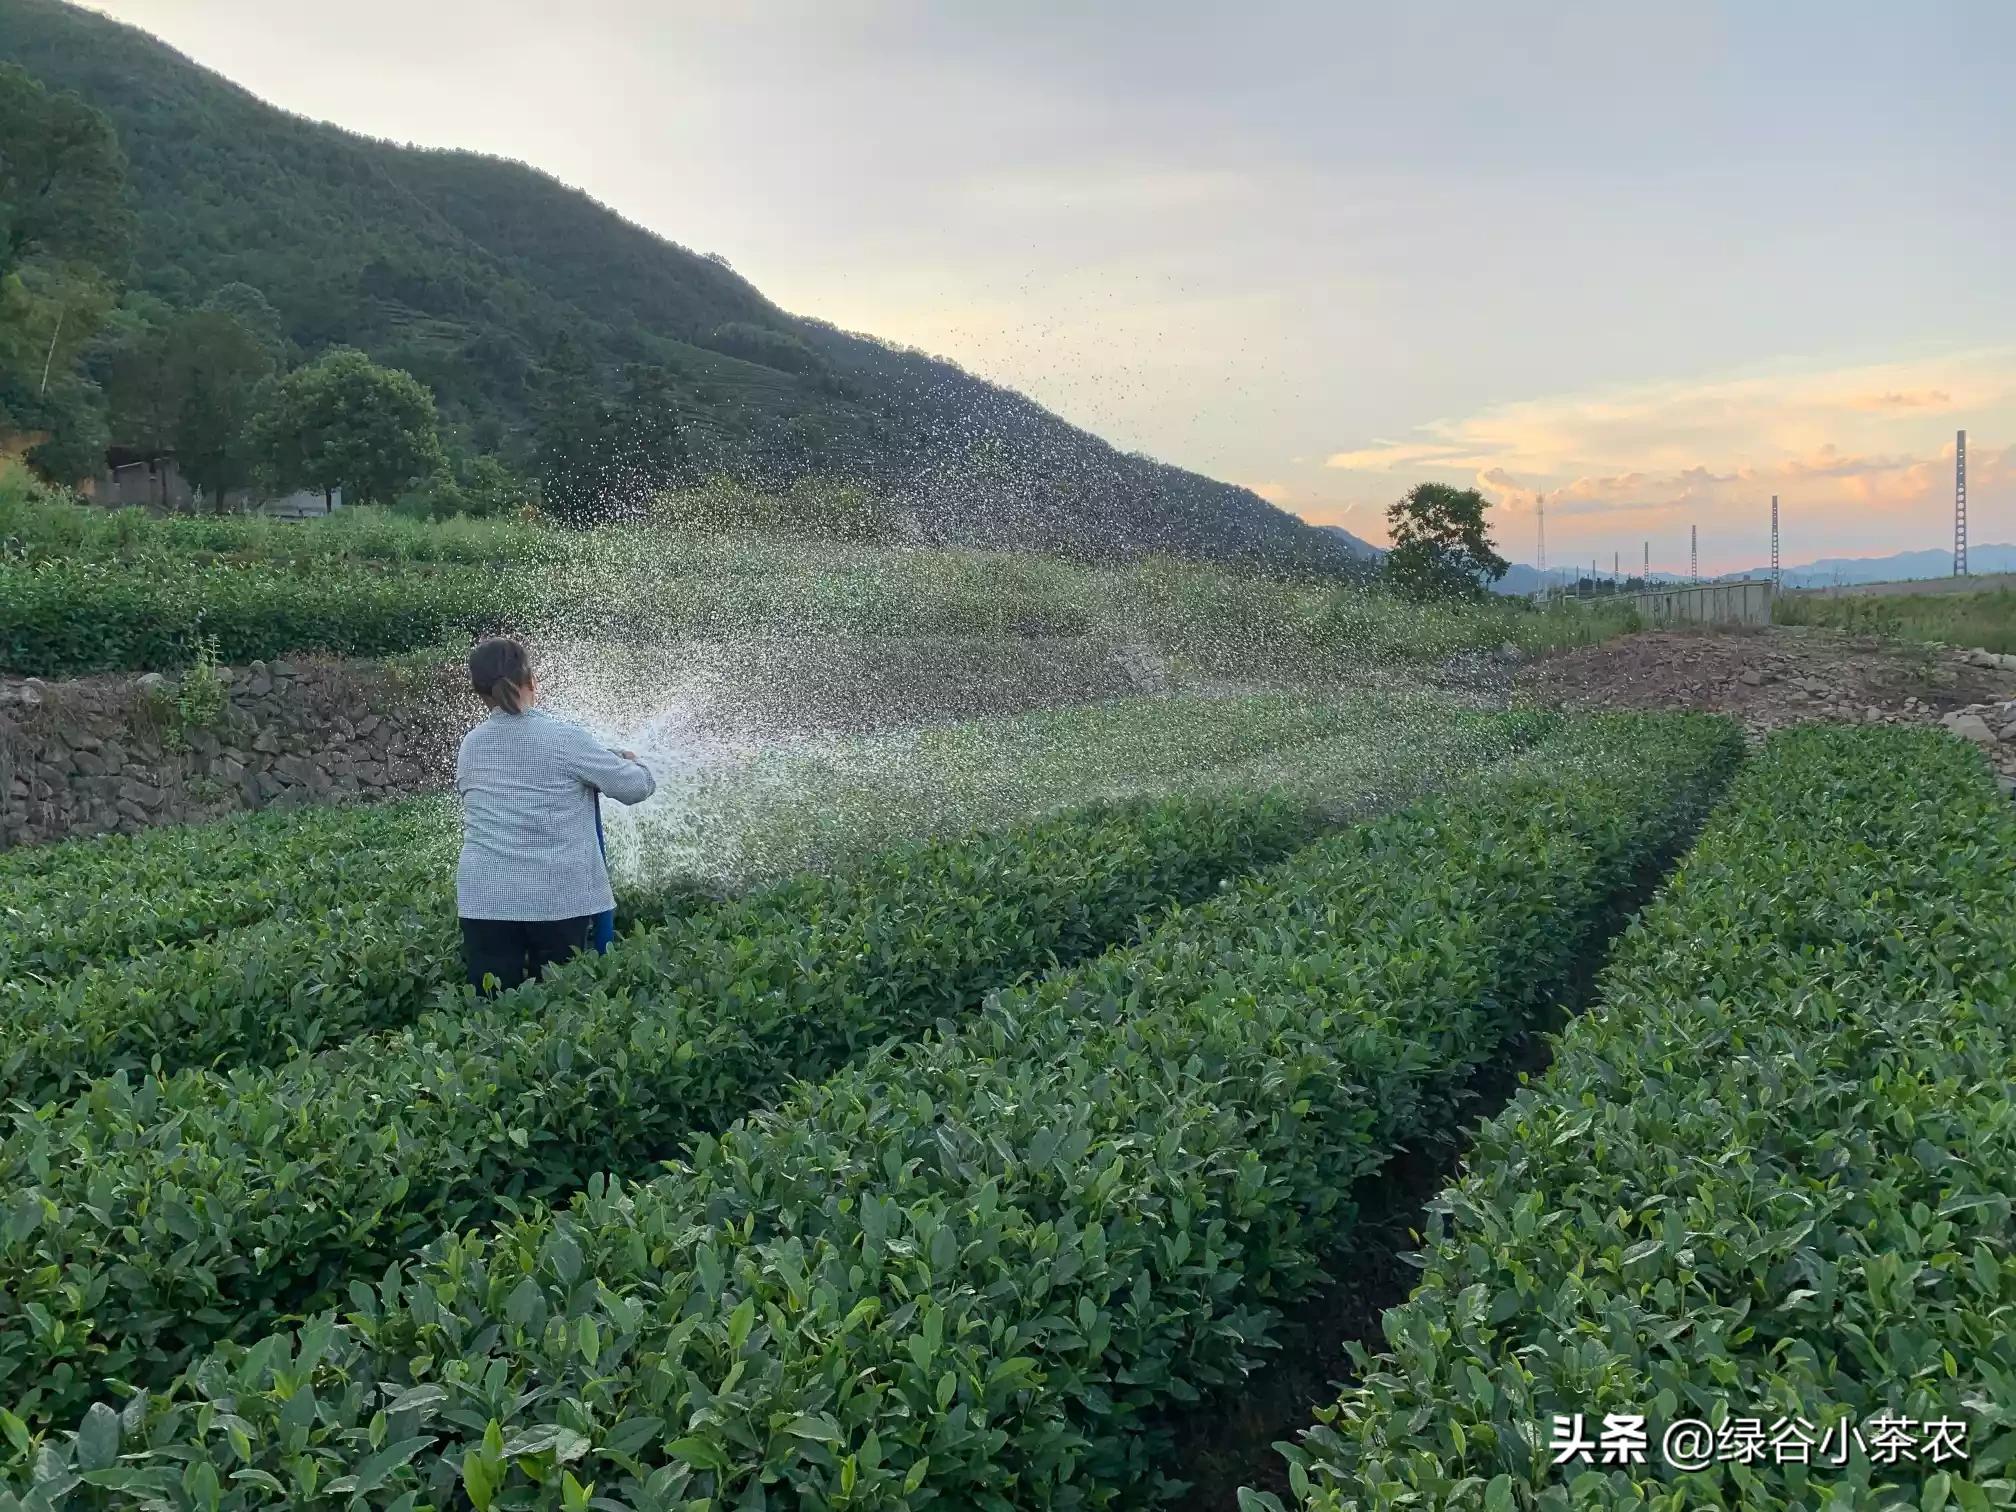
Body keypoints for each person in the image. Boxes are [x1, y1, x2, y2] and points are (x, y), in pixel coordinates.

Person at [455, 636, 654, 993]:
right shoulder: (565, 738)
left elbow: (520, 772)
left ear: (479, 692)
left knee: (489, 1017)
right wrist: (633, 763)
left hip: (484, 900)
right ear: (532, 680)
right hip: (557, 899)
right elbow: (635, 787)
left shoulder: (471, 745)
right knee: (563, 1012)